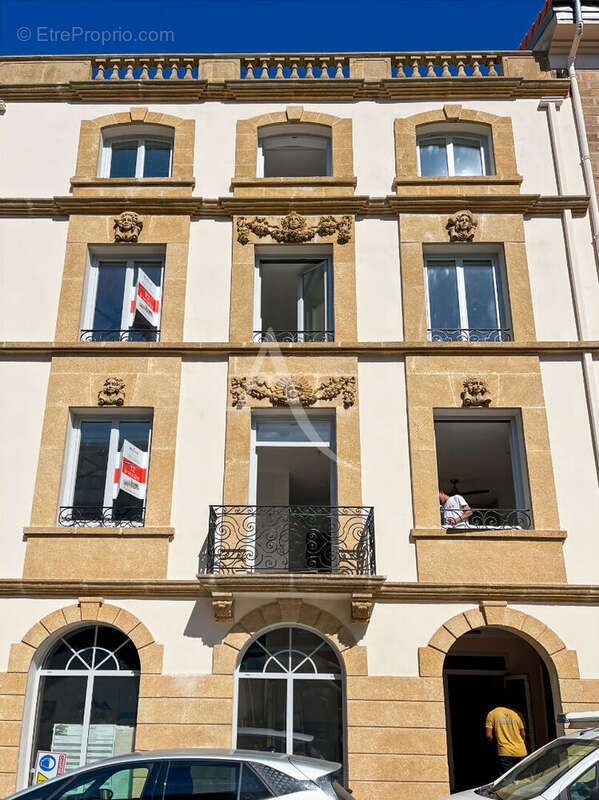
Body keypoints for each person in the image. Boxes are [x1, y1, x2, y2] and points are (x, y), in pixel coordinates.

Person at [485, 694, 528, 777]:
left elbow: (488, 735)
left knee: (506, 780)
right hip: (521, 751)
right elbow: (523, 734)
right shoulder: (516, 714)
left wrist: (493, 744)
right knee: (521, 778)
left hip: (505, 752)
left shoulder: (492, 714)